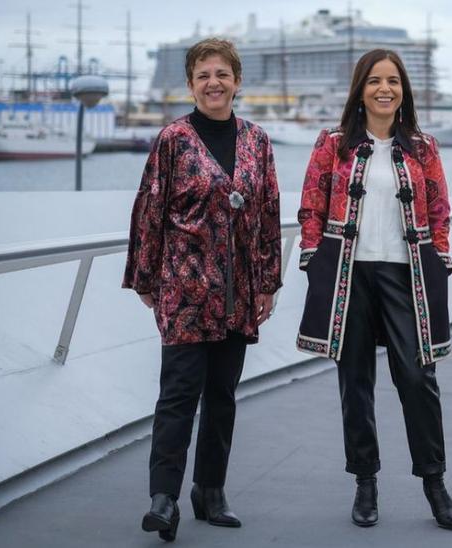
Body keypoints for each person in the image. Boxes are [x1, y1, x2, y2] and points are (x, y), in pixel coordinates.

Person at [295, 48, 452, 531]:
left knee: (417, 379)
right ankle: (365, 482)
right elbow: (311, 204)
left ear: (403, 89)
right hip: (350, 274)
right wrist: (314, 262)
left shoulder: (424, 147)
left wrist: (440, 261)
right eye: (374, 81)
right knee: (356, 384)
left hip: (406, 275)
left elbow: (439, 209)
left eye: (392, 80)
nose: (384, 88)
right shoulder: (332, 143)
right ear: (360, 90)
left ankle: (435, 482)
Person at [123, 37, 281, 542]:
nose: (214, 83)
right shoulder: (173, 139)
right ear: (191, 84)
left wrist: (268, 281)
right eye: (203, 75)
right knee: (178, 395)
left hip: (238, 291)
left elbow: (269, 214)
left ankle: (210, 491)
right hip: (184, 290)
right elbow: (149, 210)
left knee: (222, 396)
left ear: (237, 81)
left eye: (222, 74)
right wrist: (146, 278)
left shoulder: (257, 141)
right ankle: (163, 497)